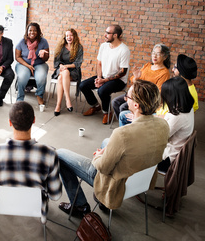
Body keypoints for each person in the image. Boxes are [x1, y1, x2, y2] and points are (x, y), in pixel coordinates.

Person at [56, 80, 169, 217]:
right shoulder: (163, 124)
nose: (125, 98)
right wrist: (136, 121)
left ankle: (80, 206)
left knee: (59, 154)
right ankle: (100, 201)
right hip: (140, 180)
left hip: (116, 184)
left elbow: (103, 168)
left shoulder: (122, 134)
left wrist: (98, 155)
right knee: (106, 141)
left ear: (136, 105)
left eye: (128, 95)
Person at [0, 101, 62, 223]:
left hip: (2, 206)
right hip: (37, 209)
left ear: (9, 123)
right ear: (34, 120)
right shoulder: (49, 154)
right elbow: (55, 195)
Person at [79, 24, 130, 124]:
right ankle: (95, 106)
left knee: (102, 91)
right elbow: (99, 63)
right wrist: (99, 78)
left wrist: (104, 81)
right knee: (83, 85)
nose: (105, 35)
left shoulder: (124, 50)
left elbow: (123, 72)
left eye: (107, 33)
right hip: (103, 76)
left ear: (115, 35)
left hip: (118, 80)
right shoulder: (104, 46)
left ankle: (107, 112)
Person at [114, 43, 171, 123]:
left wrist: (137, 83)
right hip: (135, 93)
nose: (154, 56)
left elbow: (157, 93)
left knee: (123, 107)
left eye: (158, 54)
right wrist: (136, 78)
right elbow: (134, 81)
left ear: (165, 57)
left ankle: (133, 125)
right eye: (153, 53)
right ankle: (125, 123)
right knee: (115, 102)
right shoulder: (147, 66)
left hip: (145, 99)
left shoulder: (164, 73)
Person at [157, 77, 195, 173]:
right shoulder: (187, 107)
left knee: (135, 152)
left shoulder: (177, 116)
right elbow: (167, 117)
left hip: (168, 160)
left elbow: (160, 139)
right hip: (175, 151)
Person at [15, 22, 49, 104]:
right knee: (22, 77)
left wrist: (43, 54)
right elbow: (17, 57)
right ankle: (20, 98)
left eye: (35, 30)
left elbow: (46, 58)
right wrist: (28, 66)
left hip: (39, 63)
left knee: (41, 77)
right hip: (23, 64)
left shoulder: (43, 42)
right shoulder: (22, 42)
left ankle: (39, 96)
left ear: (38, 32)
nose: (32, 32)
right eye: (30, 30)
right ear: (27, 31)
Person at [52, 28, 84, 116]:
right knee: (64, 73)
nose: (68, 37)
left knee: (61, 78)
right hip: (61, 69)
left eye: (70, 35)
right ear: (64, 37)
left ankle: (58, 105)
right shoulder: (61, 47)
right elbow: (57, 61)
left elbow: (77, 63)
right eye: (67, 36)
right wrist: (62, 67)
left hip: (73, 71)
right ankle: (67, 100)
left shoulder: (79, 47)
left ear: (74, 37)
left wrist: (66, 66)